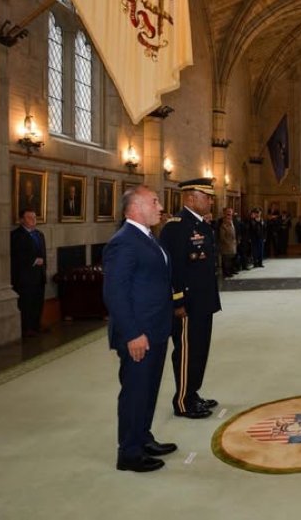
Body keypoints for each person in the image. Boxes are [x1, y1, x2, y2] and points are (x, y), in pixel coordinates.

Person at [102, 185, 177, 472]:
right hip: (138, 333)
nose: (160, 207)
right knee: (135, 392)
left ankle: (143, 438)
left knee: (148, 388)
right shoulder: (123, 242)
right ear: (135, 208)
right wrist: (133, 333)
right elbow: (115, 294)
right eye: (154, 202)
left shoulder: (146, 236)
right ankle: (129, 453)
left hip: (155, 328)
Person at [160, 178, 222, 419]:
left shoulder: (202, 225)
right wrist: (177, 301)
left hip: (203, 300)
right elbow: (172, 268)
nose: (210, 201)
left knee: (200, 351)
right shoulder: (177, 227)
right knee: (186, 352)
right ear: (191, 198)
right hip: (187, 304)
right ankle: (183, 401)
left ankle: (193, 393)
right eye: (207, 197)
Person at [10, 208, 47, 337]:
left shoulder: (39, 234)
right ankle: (26, 328)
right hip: (24, 277)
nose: (33, 220)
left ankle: (36, 325)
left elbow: (43, 254)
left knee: (38, 301)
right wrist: (34, 260)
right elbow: (16, 256)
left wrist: (43, 268)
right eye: (29, 217)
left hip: (39, 275)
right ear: (22, 220)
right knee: (26, 302)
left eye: (34, 217)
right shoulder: (16, 236)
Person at [218, 207, 238, 278]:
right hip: (226, 245)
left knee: (231, 259)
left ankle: (231, 271)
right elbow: (222, 237)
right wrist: (228, 243)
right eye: (228, 213)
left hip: (233, 244)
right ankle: (226, 273)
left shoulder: (234, 222)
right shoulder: (222, 224)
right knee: (226, 260)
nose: (229, 216)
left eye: (231, 212)